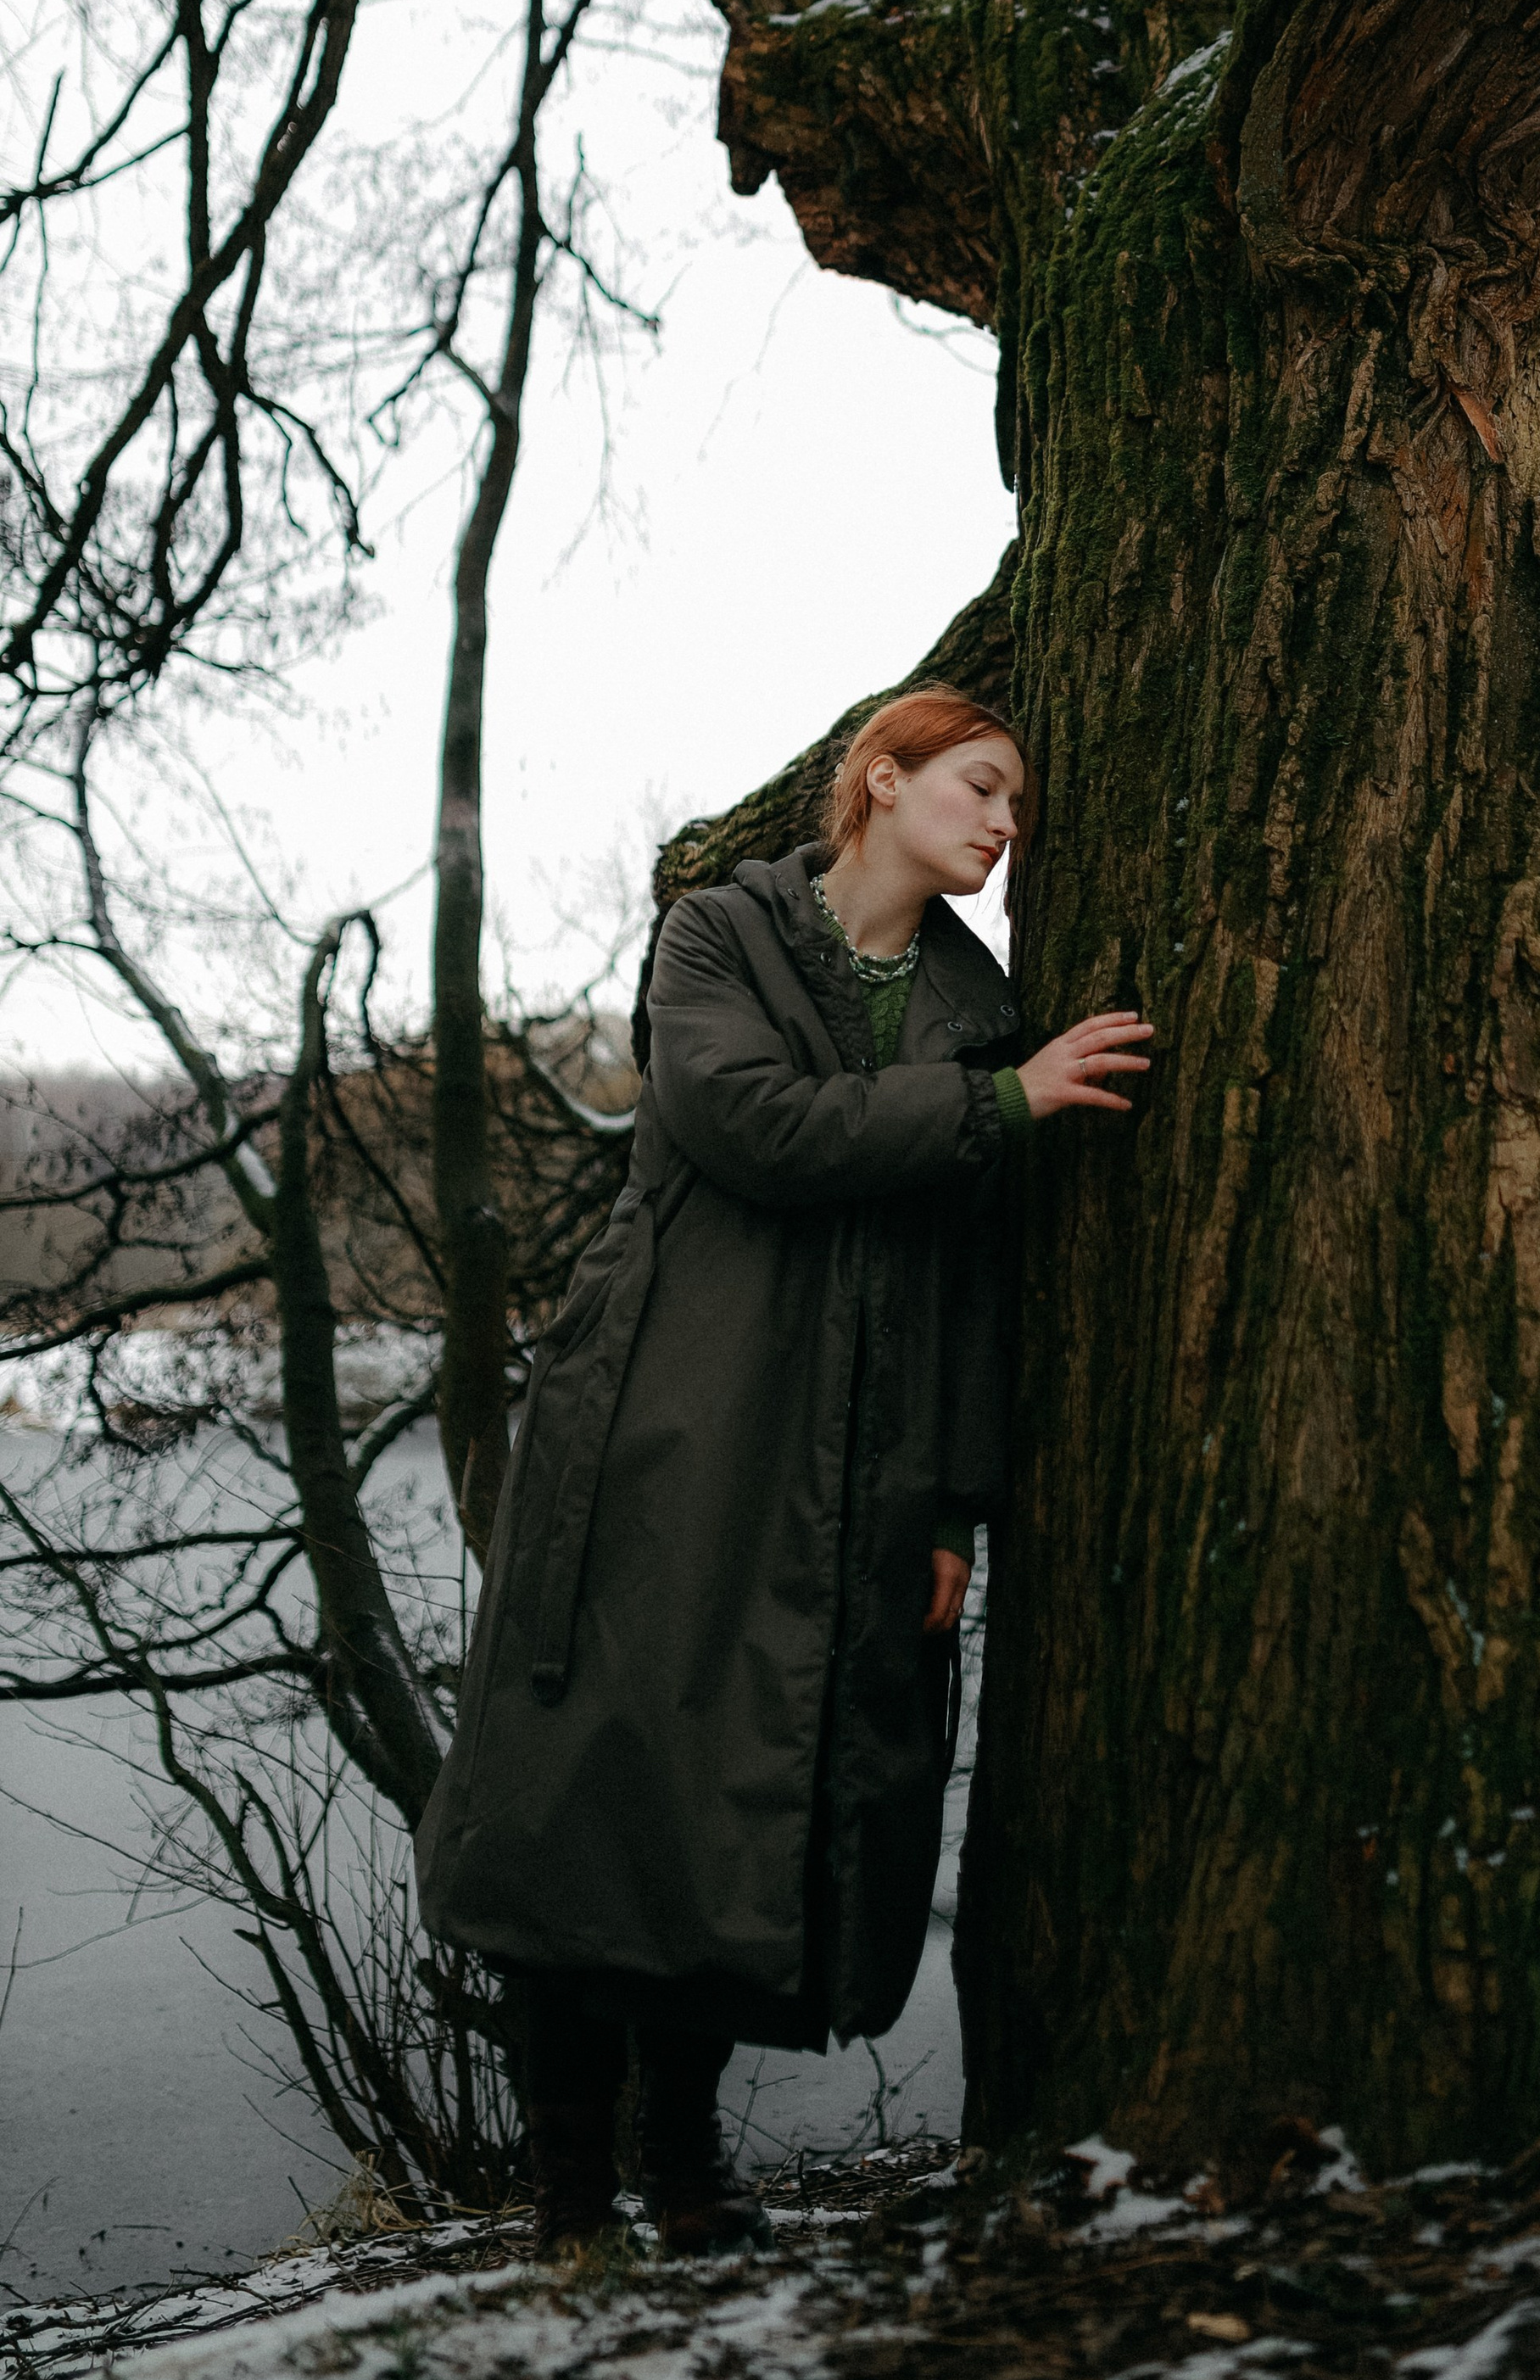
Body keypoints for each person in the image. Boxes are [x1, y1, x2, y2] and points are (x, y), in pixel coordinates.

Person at [415, 687, 1151, 2254]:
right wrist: (1000, 1103)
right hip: (656, 1428)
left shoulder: (976, 1007)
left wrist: (952, 1502)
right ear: (881, 779)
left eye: (1018, 803)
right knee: (589, 1787)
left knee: (741, 1799)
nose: (1005, 821)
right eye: (981, 783)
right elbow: (749, 1123)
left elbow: (969, 1280)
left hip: (844, 1469)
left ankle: (684, 2166)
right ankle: (568, 2199)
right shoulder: (720, 937)